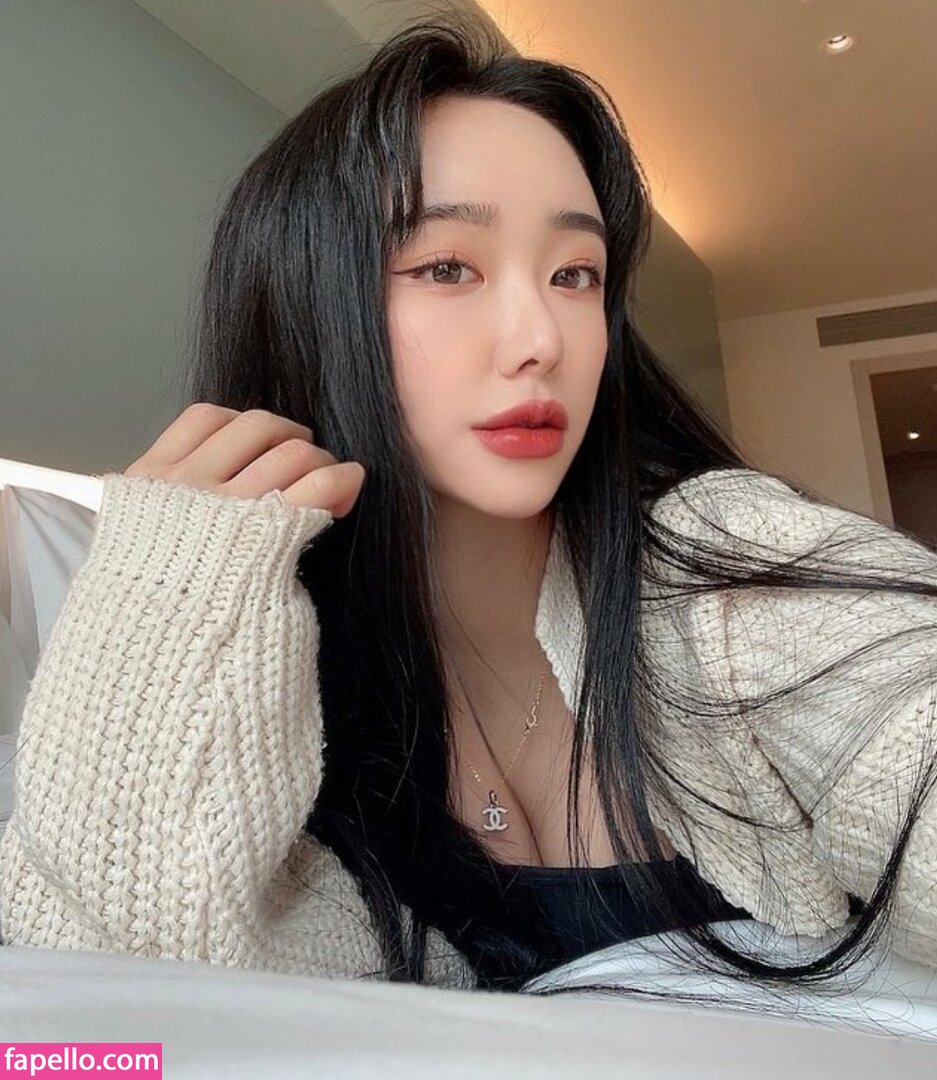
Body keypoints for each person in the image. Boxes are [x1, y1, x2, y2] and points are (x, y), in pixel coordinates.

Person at [2, 14, 936, 996]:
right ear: (306, 302)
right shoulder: (275, 682)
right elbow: (141, 1009)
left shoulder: (723, 562)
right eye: (447, 267)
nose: (541, 338)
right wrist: (159, 597)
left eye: (574, 274)